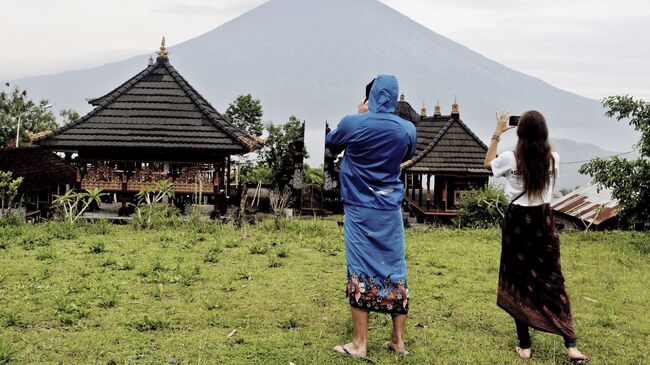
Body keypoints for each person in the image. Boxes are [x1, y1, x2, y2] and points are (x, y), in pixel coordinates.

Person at [484, 111, 590, 364]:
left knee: (519, 280)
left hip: (518, 225)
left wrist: (498, 133)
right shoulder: (553, 158)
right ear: (544, 132)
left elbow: (488, 163)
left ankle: (525, 346)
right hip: (543, 222)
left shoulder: (511, 158)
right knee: (553, 280)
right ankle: (571, 345)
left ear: (519, 131)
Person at [325, 75, 417, 359]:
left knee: (359, 268)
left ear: (372, 96)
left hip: (359, 208)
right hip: (389, 209)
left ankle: (359, 343)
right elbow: (408, 152)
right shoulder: (407, 129)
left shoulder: (354, 123)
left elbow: (331, 142)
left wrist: (360, 113)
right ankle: (398, 341)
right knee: (395, 267)